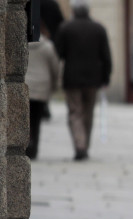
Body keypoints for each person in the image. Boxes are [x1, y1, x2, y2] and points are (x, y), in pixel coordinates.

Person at [55, 0, 111, 161]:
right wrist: (106, 77)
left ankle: (80, 145)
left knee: (75, 112)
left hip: (72, 77)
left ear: (73, 10)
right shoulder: (99, 29)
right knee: (88, 112)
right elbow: (106, 56)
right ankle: (84, 145)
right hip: (93, 79)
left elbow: (57, 54)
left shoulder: (66, 28)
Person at [25, 34, 59, 160]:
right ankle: (34, 149)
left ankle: (26, 145)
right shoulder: (47, 47)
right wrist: (54, 85)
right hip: (41, 87)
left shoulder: (23, 45)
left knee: (25, 119)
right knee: (36, 120)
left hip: (26, 85)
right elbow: (55, 67)